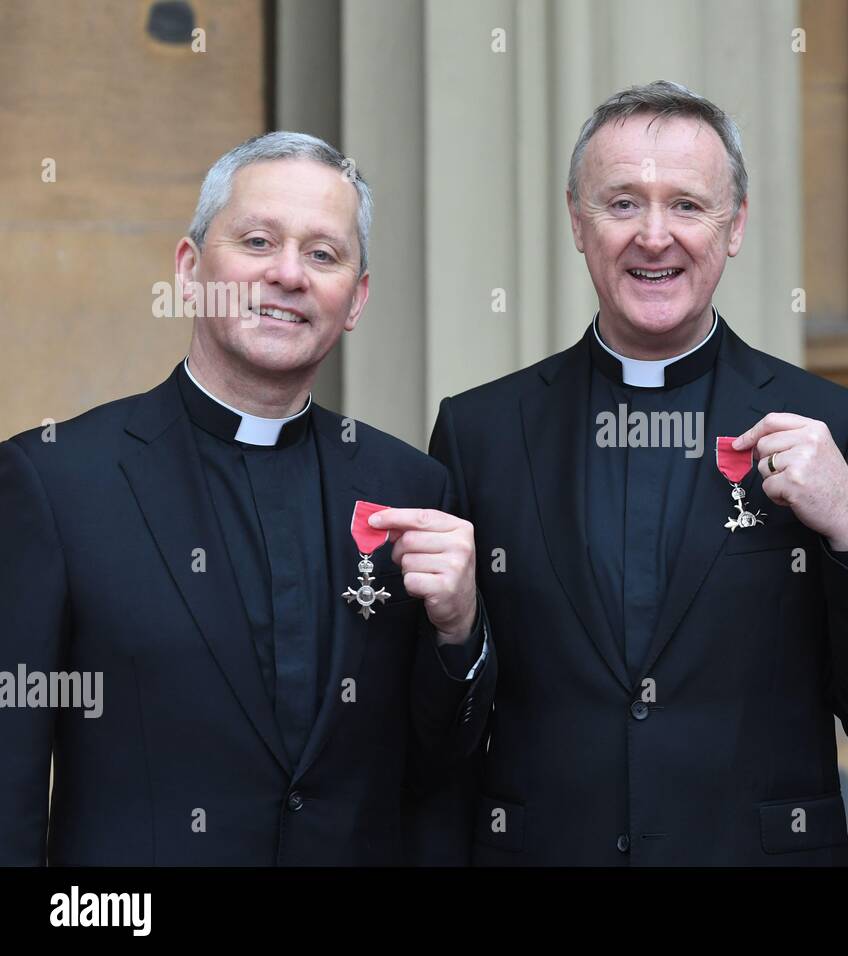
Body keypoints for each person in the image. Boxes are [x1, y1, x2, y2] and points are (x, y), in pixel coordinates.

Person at [429, 80, 848, 865]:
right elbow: (439, 727)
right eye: (621, 203)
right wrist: (456, 636)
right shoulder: (481, 432)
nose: (654, 236)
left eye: (688, 206)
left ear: (735, 226)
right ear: (576, 222)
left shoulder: (833, 426)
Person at [0, 132, 494, 865]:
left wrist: (461, 632)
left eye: (323, 254)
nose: (288, 274)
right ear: (191, 269)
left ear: (355, 299)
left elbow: (437, 774)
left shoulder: (412, 489)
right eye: (258, 241)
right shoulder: (57, 482)